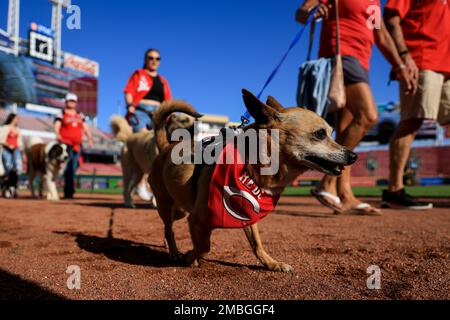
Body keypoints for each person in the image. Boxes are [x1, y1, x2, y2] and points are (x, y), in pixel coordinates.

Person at [296, 0, 416, 215]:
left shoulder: (374, 3)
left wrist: (400, 65)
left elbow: (382, 36)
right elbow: (301, 13)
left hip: (362, 63)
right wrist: (311, 11)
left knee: (346, 133)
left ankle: (345, 194)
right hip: (342, 56)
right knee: (368, 116)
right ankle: (328, 181)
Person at [381, 0, 450, 210]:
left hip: (446, 64)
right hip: (422, 60)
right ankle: (394, 190)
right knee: (412, 121)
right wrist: (403, 57)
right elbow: (390, 18)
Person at [123, 48, 172, 201]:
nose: (154, 61)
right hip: (140, 111)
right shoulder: (138, 74)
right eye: (150, 58)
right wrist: (130, 105)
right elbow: (129, 91)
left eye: (157, 58)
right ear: (145, 59)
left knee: (158, 148)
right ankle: (141, 185)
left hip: (158, 113)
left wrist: (169, 114)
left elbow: (168, 100)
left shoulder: (163, 81)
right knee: (143, 144)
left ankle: (151, 187)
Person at [54, 93, 93, 199]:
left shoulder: (80, 115)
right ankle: (68, 191)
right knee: (69, 167)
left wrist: (89, 138)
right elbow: (57, 126)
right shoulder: (61, 113)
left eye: (73, 101)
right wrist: (58, 135)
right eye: (69, 100)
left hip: (77, 145)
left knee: (74, 167)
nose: (71, 102)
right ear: (66, 102)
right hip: (66, 145)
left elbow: (85, 127)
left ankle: (69, 188)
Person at [0, 113, 23, 198]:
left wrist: (20, 150)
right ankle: (7, 188)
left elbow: (20, 142)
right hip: (7, 150)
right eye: (17, 118)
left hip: (16, 150)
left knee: (17, 169)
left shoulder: (17, 129)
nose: (18, 120)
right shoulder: (6, 128)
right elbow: (1, 140)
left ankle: (13, 188)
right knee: (9, 169)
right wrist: (8, 145)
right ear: (12, 119)